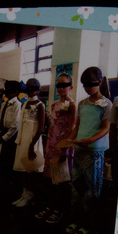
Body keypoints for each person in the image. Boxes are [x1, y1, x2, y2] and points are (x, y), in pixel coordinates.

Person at [66, 66, 112, 234]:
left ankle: (89, 225)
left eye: (90, 84)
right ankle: (76, 220)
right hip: (79, 149)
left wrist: (91, 140)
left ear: (99, 82)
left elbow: (106, 128)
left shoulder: (107, 104)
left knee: (91, 190)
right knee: (77, 188)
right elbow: (77, 127)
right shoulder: (82, 103)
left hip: (94, 152)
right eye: (84, 84)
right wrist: (68, 141)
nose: (87, 88)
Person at [35, 73, 76, 224]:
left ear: (71, 87)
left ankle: (60, 210)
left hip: (63, 146)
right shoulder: (53, 104)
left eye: (64, 85)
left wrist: (65, 149)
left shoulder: (72, 105)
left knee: (62, 180)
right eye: (59, 85)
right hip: (51, 145)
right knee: (49, 179)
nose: (61, 88)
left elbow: (71, 128)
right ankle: (50, 206)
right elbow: (52, 126)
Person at [11, 78, 45, 208]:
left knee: (30, 170)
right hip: (23, 140)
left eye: (33, 87)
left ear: (38, 89)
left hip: (32, 141)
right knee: (21, 169)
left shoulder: (40, 105)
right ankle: (24, 193)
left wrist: (32, 146)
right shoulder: (24, 104)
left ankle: (31, 195)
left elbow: (40, 128)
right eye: (28, 87)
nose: (30, 90)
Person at [0, 80, 22, 203]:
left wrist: (5, 137)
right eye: (6, 89)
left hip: (11, 137)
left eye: (10, 89)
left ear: (16, 91)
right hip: (2, 133)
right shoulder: (4, 104)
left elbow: (16, 124)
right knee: (1, 163)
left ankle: (9, 192)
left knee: (9, 163)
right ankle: (1, 188)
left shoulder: (17, 105)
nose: (7, 92)